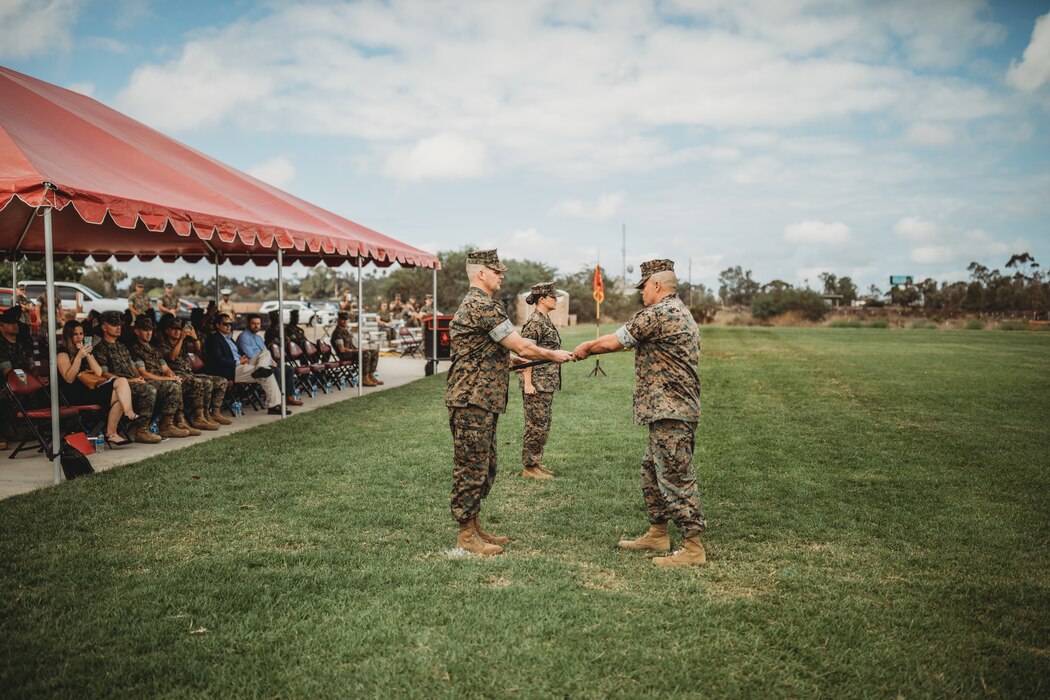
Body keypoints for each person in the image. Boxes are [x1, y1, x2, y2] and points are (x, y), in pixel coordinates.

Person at [572, 259, 706, 568]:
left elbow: (615, 341)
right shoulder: (680, 311)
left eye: (643, 287)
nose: (641, 294)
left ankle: (693, 547)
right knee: (651, 470)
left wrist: (587, 347)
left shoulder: (659, 313)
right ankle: (658, 533)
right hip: (670, 409)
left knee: (675, 476)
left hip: (670, 410)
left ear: (657, 285)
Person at [446, 249, 574, 556]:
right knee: (471, 466)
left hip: (482, 399)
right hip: (471, 400)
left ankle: (474, 525)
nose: (502, 275)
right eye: (497, 271)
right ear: (481, 274)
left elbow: (496, 352)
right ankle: (465, 536)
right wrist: (551, 355)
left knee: (486, 464)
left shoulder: (484, 306)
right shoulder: (480, 305)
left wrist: (514, 359)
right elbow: (518, 343)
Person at [56, 320, 137, 447]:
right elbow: (69, 378)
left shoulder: (84, 350)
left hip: (90, 389)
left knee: (122, 383)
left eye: (81, 334)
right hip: (74, 394)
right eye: (75, 334)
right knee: (121, 395)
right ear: (68, 336)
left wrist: (87, 354)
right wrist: (78, 357)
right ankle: (112, 432)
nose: (79, 337)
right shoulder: (62, 353)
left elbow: (98, 372)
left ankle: (126, 414)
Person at [91, 311, 163, 444]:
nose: (118, 327)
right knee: (149, 390)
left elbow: (132, 367)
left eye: (119, 324)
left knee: (163, 387)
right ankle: (142, 430)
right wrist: (132, 380)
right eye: (114, 325)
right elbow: (104, 374)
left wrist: (138, 377)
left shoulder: (122, 346)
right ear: (104, 327)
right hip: (116, 385)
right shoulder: (100, 349)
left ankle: (167, 424)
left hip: (133, 381)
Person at [519, 282, 565, 480]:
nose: (556, 299)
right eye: (553, 296)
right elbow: (526, 355)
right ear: (542, 299)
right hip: (536, 383)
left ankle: (535, 463)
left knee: (543, 423)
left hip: (545, 382)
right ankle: (529, 467)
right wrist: (528, 383)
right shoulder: (534, 323)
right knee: (535, 424)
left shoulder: (544, 319)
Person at [204, 314, 290, 415]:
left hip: (242, 364)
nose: (228, 326)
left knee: (265, 352)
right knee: (267, 373)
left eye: (230, 324)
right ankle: (274, 406)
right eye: (225, 324)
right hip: (232, 369)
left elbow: (238, 353)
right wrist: (238, 362)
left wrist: (242, 359)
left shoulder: (229, 338)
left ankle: (261, 368)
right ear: (218, 325)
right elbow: (217, 360)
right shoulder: (214, 338)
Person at [127, 315, 195, 437]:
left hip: (160, 381)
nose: (149, 333)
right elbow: (144, 374)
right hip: (145, 381)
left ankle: (178, 422)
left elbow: (166, 368)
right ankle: (161, 426)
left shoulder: (153, 349)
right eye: (145, 330)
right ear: (137, 331)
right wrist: (167, 378)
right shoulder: (135, 350)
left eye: (150, 330)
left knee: (176, 382)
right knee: (172, 386)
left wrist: (172, 375)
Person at [155, 316, 228, 430]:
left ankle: (212, 413)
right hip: (176, 376)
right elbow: (172, 357)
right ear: (167, 330)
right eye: (173, 328)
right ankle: (198, 417)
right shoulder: (162, 345)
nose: (177, 331)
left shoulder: (183, 343)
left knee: (221, 381)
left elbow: (197, 349)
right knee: (199, 382)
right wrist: (181, 339)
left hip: (188, 374)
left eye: (179, 329)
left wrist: (194, 338)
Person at [0, 306, 44, 449]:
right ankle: (9, 428)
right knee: (10, 394)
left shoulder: (21, 345)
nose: (15, 325)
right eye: (10, 323)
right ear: (1, 327)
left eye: (16, 322)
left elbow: (32, 366)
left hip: (25, 381)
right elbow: (9, 372)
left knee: (46, 387)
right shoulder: (2, 346)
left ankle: (37, 427)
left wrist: (37, 379)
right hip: (8, 385)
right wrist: (29, 382)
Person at [236, 313, 300, 405]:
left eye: (258, 324)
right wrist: (269, 362)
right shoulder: (243, 337)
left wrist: (271, 361)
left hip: (265, 362)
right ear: (248, 324)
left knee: (289, 369)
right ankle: (276, 401)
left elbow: (265, 352)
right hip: (253, 364)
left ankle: (289, 397)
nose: (256, 326)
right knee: (276, 370)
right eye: (253, 323)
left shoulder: (258, 338)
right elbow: (250, 355)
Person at [332, 311, 381, 386]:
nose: (345, 321)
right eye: (343, 319)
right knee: (366, 354)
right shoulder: (337, 333)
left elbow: (351, 345)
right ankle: (364, 378)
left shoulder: (345, 331)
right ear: (338, 320)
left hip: (352, 353)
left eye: (346, 320)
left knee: (374, 352)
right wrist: (356, 350)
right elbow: (342, 349)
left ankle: (371, 376)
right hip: (345, 355)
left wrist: (359, 349)